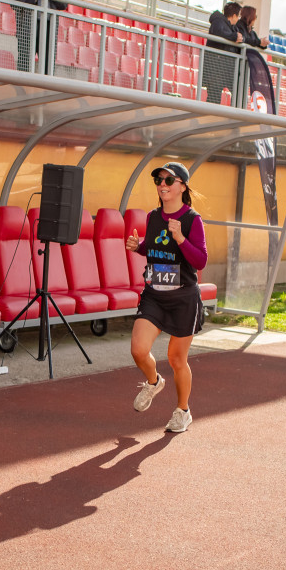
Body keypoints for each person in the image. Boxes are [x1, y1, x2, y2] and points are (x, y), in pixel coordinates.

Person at [126, 162, 208, 433]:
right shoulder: (152, 217)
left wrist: (181, 238)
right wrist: (140, 248)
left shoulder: (192, 220)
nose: (162, 184)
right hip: (154, 294)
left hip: (183, 298)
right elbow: (154, 248)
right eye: (159, 180)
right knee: (138, 349)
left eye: (168, 180)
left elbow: (201, 260)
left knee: (176, 359)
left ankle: (182, 411)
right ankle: (153, 382)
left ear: (182, 186)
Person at [9, 0, 67, 73]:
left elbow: (64, 5)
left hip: (49, 25)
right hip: (27, 24)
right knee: (25, 61)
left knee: (48, 63)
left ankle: (47, 89)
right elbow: (15, 2)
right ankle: (22, 87)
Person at [202, 2, 244, 104]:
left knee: (238, 93)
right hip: (215, 68)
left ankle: (235, 117)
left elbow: (240, 36)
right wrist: (234, 37)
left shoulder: (232, 27)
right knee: (214, 96)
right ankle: (207, 117)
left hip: (226, 68)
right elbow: (218, 33)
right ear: (234, 16)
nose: (238, 19)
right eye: (238, 16)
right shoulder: (218, 21)